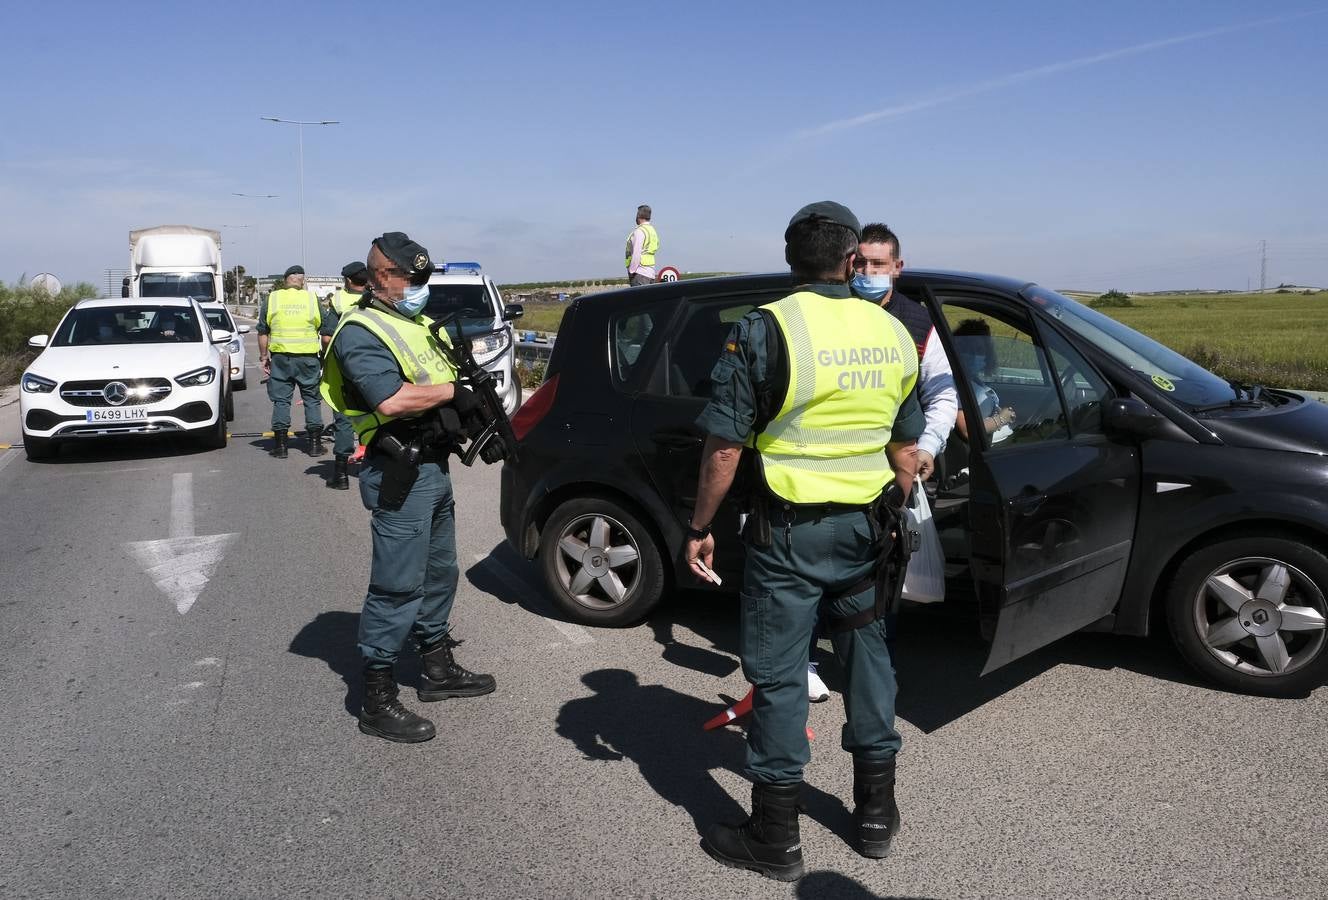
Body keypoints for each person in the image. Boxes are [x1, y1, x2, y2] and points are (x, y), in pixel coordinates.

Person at [686, 202, 923, 880]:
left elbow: (725, 450)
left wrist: (699, 528)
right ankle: (876, 815)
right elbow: (906, 449)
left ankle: (776, 838)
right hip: (868, 530)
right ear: (853, 260)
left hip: (788, 534)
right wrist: (895, 514)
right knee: (869, 659)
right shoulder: (890, 332)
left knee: (781, 675)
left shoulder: (764, 329)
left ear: (790, 259)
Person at [319, 232, 495, 743]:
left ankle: (437, 668)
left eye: (424, 278)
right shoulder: (360, 330)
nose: (421, 287)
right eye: (412, 279)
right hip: (400, 471)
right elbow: (391, 399)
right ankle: (376, 696)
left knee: (441, 571)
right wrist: (455, 392)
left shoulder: (412, 323)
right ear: (382, 277)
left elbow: (437, 385)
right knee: (398, 585)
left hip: (432, 468)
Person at [257, 265, 330, 459]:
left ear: (285, 280)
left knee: (281, 400)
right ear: (302, 281)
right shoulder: (312, 299)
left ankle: (281, 447)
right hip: (308, 358)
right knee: (311, 400)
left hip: (281, 359)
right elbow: (325, 329)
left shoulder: (272, 299)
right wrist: (323, 356)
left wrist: (264, 357)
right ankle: (315, 445)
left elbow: (263, 331)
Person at [320, 261, 370, 489]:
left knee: (343, 418)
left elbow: (327, 337)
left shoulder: (339, 301)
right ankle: (373, 467)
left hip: (345, 368)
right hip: (374, 367)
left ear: (348, 281)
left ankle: (341, 475)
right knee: (374, 416)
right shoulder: (376, 299)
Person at [952, 318, 1016, 444]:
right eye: (968, 349)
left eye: (980, 351)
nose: (974, 355)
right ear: (956, 349)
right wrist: (1002, 419)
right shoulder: (954, 384)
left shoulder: (972, 380)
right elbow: (967, 430)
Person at [624, 204, 659, 286]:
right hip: (650, 273)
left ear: (638, 215)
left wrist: (631, 271)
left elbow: (636, 253)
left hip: (639, 274)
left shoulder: (639, 231)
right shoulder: (652, 231)